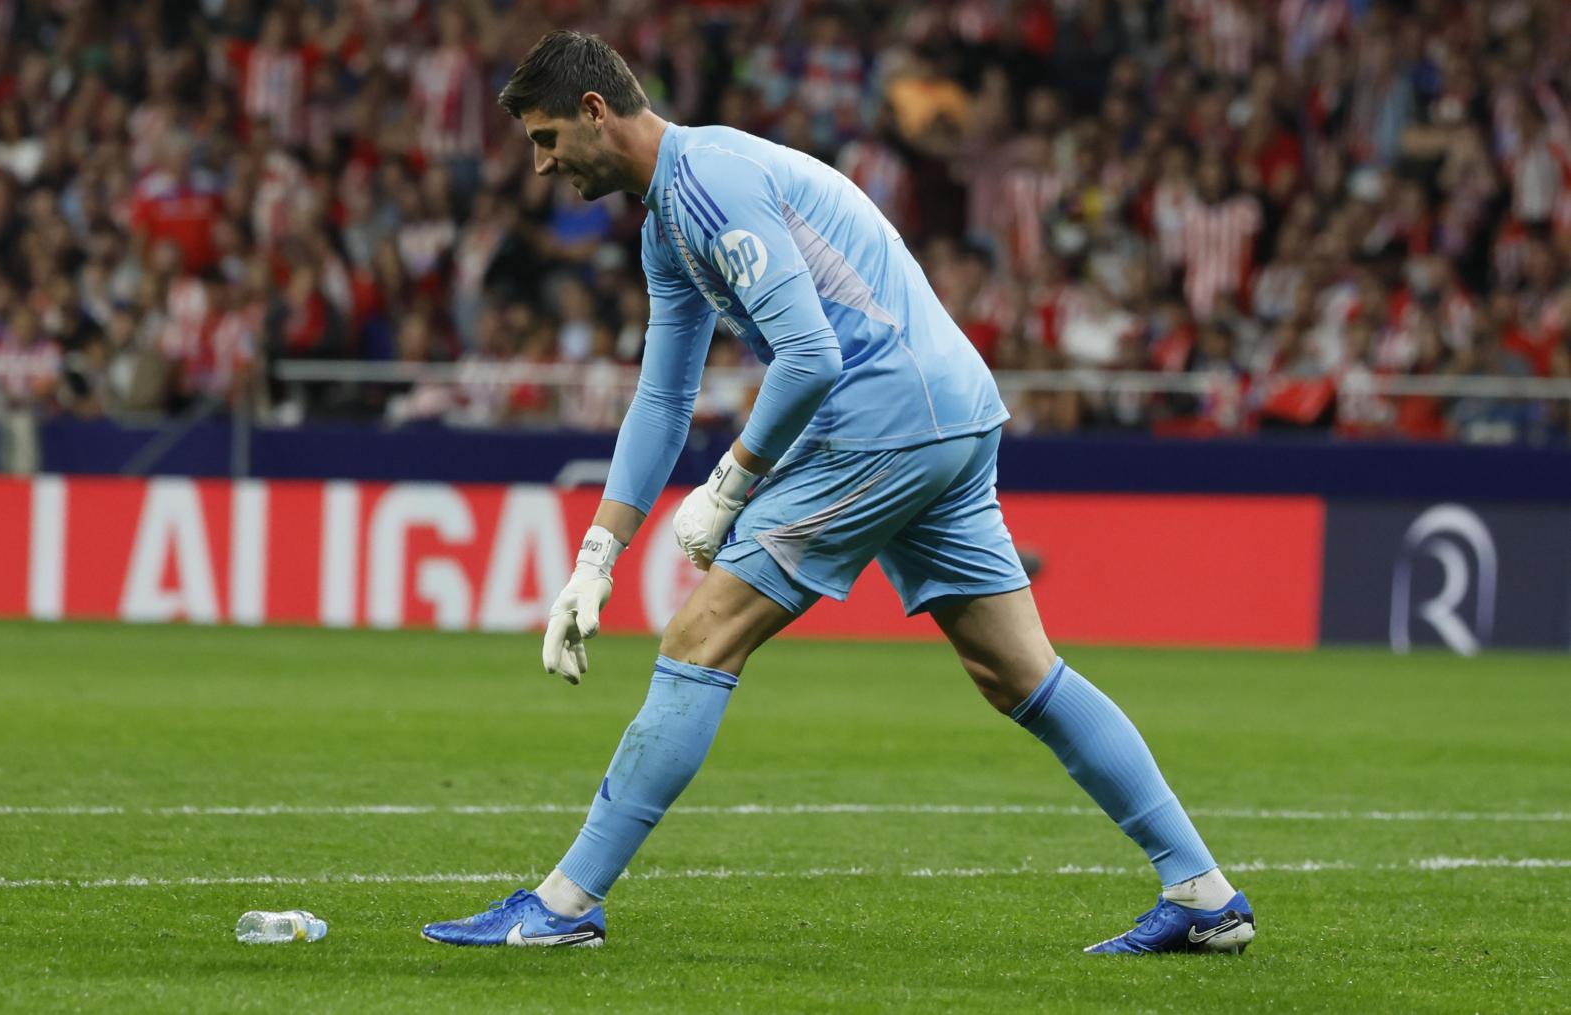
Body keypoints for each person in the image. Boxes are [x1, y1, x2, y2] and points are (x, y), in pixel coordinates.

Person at [421, 31, 1255, 956]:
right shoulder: (672, 217)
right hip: (950, 410)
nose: (540, 166)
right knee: (1018, 671)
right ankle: (1204, 891)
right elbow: (662, 397)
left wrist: (729, 485)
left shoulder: (709, 185)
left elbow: (813, 356)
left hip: (881, 415)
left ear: (594, 112)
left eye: (544, 139)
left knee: (701, 637)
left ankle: (565, 905)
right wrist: (597, 556)